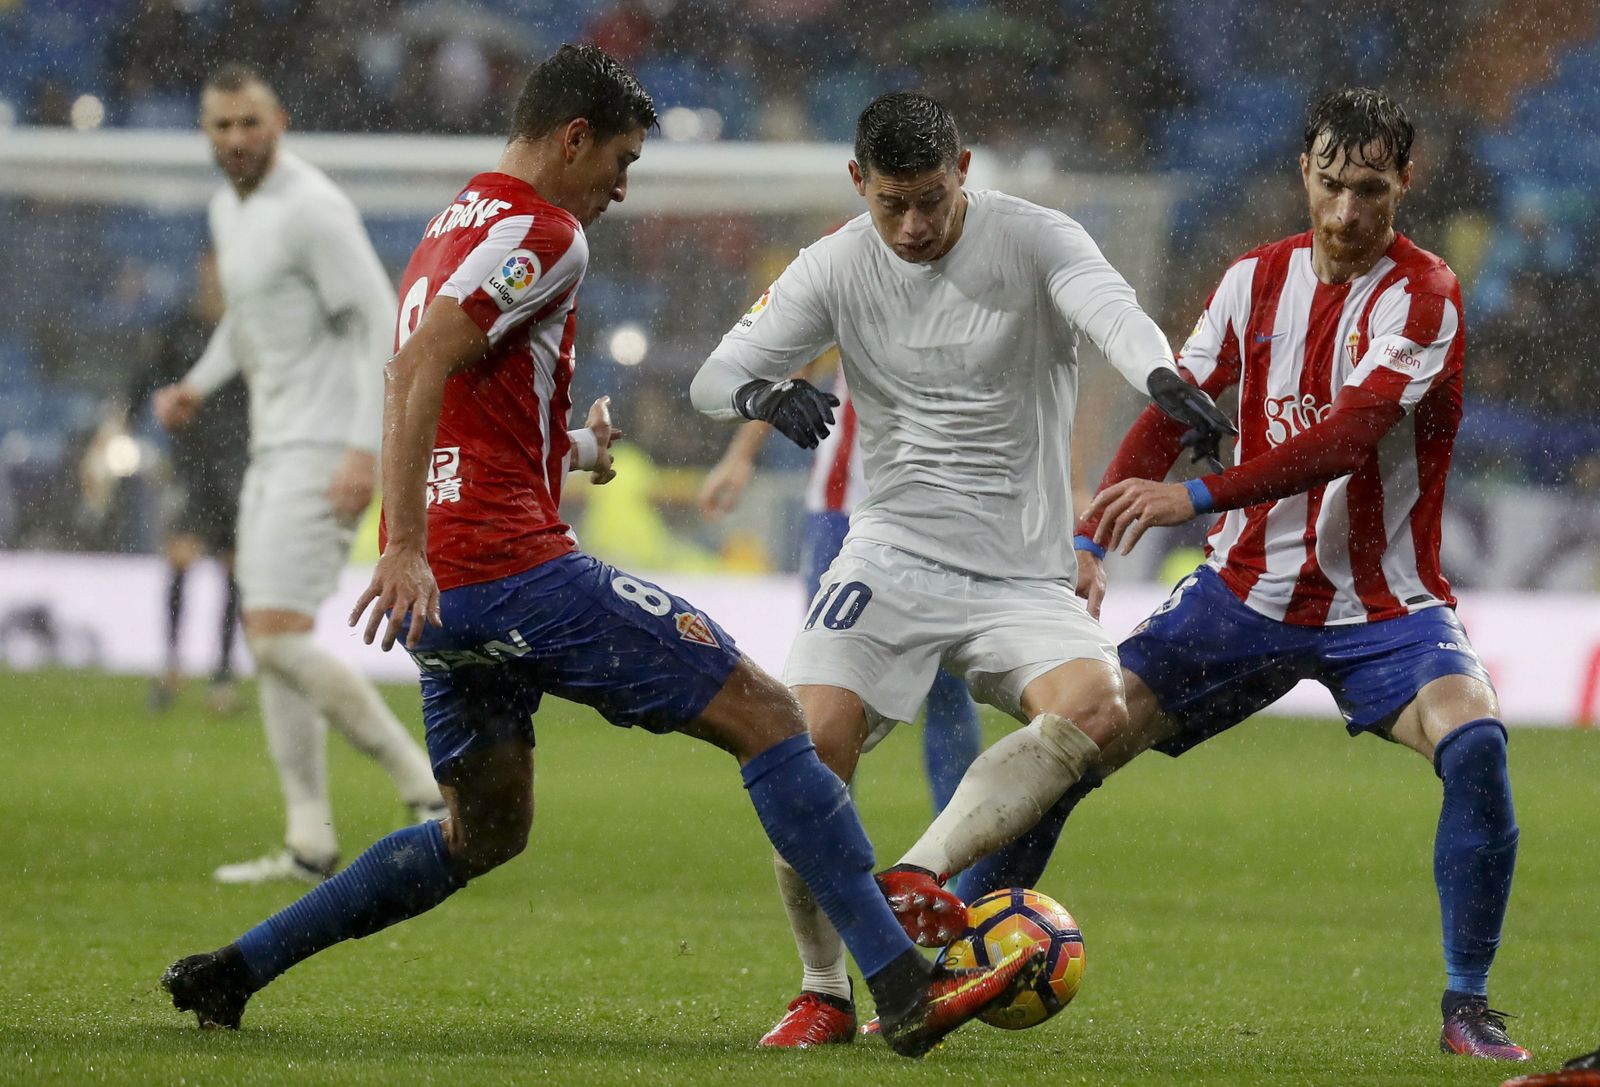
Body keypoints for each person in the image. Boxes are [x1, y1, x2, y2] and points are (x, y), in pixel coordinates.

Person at [159, 45, 1041, 1060]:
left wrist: (566, 450)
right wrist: (400, 542)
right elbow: (416, 365)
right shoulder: (548, 232)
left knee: (485, 831)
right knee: (767, 715)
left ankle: (238, 967)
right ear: (573, 138)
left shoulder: (455, 221)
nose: (621, 188)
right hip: (511, 571)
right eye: (620, 161)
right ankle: (902, 983)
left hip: (452, 599)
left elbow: (460, 396)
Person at [889, 87, 1530, 1063]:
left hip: (1385, 608)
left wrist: (1193, 497)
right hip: (1239, 595)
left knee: (1475, 743)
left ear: (1405, 181)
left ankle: (1468, 1005)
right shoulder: (1251, 281)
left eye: (1369, 190)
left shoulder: (1425, 295)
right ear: (1303, 172)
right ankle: (949, 968)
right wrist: (1093, 540)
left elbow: (1347, 439)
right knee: (1072, 744)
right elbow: (1172, 411)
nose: (1346, 211)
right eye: (1330, 184)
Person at [690, 90, 1233, 1047]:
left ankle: (919, 872)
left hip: (1022, 571)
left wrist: (1160, 379)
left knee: (1098, 706)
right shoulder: (834, 264)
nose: (913, 225)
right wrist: (763, 396)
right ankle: (823, 990)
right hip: (891, 552)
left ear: (966, 170)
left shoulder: (1035, 237)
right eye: (891, 203)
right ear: (858, 182)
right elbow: (711, 376)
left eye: (932, 199)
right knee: (801, 752)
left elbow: (1112, 312)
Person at [153, 63, 444, 884]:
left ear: (278, 120)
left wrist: (363, 448)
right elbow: (247, 319)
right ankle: (310, 838)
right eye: (222, 126)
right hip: (274, 443)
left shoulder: (313, 209)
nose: (237, 138)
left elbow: (381, 321)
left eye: (250, 123)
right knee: (271, 641)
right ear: (206, 132)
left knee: (276, 635)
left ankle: (425, 787)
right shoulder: (230, 209)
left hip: (324, 445)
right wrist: (196, 385)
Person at [698, 364, 984, 824]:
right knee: (828, 682)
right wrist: (741, 453)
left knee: (947, 680)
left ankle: (959, 847)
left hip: (938, 511)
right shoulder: (856, 310)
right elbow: (794, 361)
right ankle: (832, 845)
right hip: (843, 508)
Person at [128, 252, 247, 715]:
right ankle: (172, 664)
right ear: (201, 270)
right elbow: (143, 381)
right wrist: (122, 422)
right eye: (209, 267)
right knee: (180, 556)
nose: (214, 276)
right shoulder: (179, 328)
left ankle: (222, 677)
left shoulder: (247, 328)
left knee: (233, 567)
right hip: (190, 461)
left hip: (237, 460)